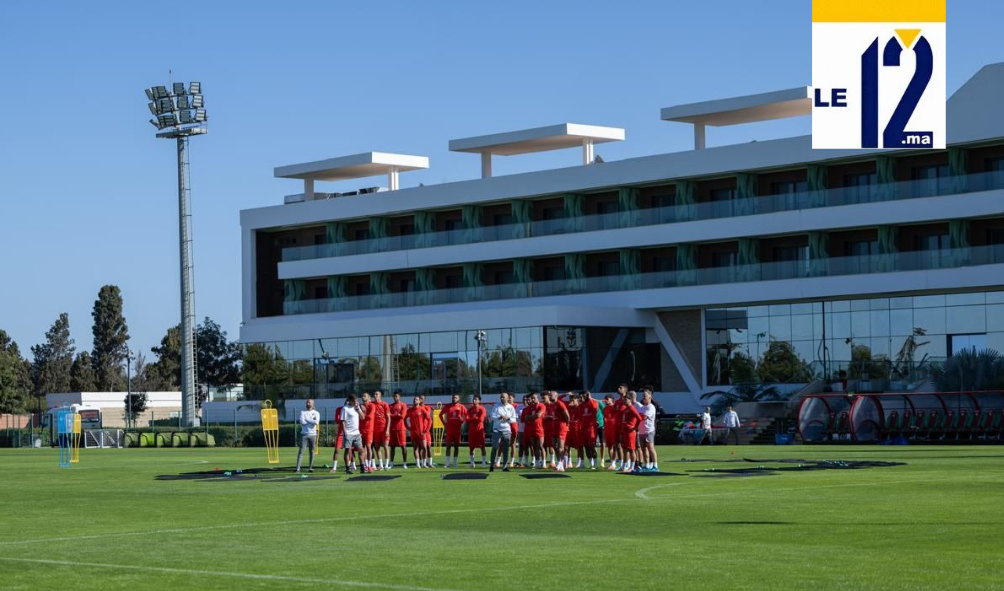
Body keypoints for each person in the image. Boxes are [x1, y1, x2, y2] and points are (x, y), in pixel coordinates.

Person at [489, 392, 517, 472]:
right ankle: (491, 466)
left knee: (505, 449)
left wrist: (508, 419)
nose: (502, 398)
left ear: (508, 398)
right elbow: (492, 417)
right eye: (501, 397)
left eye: (503, 397)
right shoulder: (496, 406)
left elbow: (514, 419)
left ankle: (504, 466)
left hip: (506, 430)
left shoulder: (511, 407)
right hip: (496, 430)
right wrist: (499, 417)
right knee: (495, 447)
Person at [341, 395, 368, 474]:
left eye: (356, 400)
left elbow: (363, 417)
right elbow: (343, 421)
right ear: (350, 400)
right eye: (354, 400)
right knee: (347, 451)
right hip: (348, 433)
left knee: (361, 450)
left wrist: (358, 409)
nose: (356, 402)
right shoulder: (345, 408)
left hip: (357, 433)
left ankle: (362, 468)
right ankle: (347, 468)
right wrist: (345, 432)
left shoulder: (357, 407)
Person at [619, 391, 643, 473]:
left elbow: (639, 418)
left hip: (630, 432)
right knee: (625, 449)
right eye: (624, 400)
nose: (624, 401)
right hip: (625, 432)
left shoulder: (632, 409)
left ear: (630, 400)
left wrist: (634, 427)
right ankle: (625, 465)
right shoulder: (626, 410)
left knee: (632, 449)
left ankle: (632, 467)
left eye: (626, 400)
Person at [440, 394, 466, 468]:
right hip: (449, 430)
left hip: (457, 430)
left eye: (456, 398)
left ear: (458, 399)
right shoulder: (447, 406)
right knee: (448, 446)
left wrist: (463, 422)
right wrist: (444, 423)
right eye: (453, 397)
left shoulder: (461, 406)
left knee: (456, 447)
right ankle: (447, 463)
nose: (454, 399)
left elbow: (467, 415)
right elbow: (440, 415)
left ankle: (455, 463)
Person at [295, 399, 320, 473]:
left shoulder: (316, 413)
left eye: (309, 402)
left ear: (313, 404)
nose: (308, 403)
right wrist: (310, 421)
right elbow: (302, 422)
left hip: (313, 435)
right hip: (304, 434)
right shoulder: (303, 412)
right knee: (301, 452)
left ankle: (311, 467)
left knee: (312, 451)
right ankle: (298, 469)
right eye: (307, 402)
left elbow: (316, 422)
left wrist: (307, 420)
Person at [521, 392, 545, 468]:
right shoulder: (529, 408)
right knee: (534, 447)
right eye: (532, 398)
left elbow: (538, 415)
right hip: (531, 429)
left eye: (534, 398)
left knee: (541, 446)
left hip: (539, 428)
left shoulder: (541, 405)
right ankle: (537, 463)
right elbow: (525, 418)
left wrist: (531, 417)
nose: (532, 400)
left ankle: (543, 462)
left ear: (538, 398)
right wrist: (533, 417)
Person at [638, 389, 659, 472]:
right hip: (641, 431)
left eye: (645, 396)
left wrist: (638, 416)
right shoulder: (642, 407)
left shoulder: (651, 407)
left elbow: (643, 417)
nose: (643, 398)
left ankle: (655, 465)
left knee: (650, 448)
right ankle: (646, 465)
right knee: (643, 448)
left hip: (649, 430)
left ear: (650, 397)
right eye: (643, 396)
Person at [406, 396, 429, 468]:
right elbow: (404, 419)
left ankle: (424, 463)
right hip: (413, 432)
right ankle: (418, 464)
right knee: (415, 448)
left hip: (422, 432)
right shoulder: (409, 410)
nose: (415, 401)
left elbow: (429, 420)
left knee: (424, 447)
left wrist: (426, 430)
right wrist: (408, 427)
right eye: (414, 399)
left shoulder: (422, 409)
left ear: (419, 401)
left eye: (416, 399)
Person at [388, 391, 409, 468]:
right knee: (392, 447)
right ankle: (391, 463)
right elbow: (389, 416)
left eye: (396, 396)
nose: (395, 397)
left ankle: (404, 463)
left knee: (403, 446)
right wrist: (397, 415)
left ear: (399, 397)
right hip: (392, 429)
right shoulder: (390, 406)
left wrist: (393, 415)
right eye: (394, 396)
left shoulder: (403, 405)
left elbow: (402, 416)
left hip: (401, 429)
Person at [578, 390, 599, 470]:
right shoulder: (582, 405)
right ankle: (590, 463)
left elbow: (595, 409)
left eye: (583, 395)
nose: (581, 397)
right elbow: (580, 416)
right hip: (583, 428)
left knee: (592, 445)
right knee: (586, 446)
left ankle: (595, 462)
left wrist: (589, 398)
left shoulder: (593, 402)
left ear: (587, 395)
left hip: (591, 427)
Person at [466, 395, 488, 467]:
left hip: (479, 430)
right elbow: (466, 419)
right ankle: (472, 463)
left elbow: (481, 419)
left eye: (476, 399)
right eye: (473, 399)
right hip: (471, 431)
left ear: (479, 401)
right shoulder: (469, 409)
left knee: (482, 447)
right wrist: (475, 418)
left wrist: (472, 419)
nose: (474, 401)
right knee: (471, 447)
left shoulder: (482, 409)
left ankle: (483, 462)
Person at [551, 391, 570, 472]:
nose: (549, 396)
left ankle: (559, 464)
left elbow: (567, 415)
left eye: (550, 395)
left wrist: (567, 425)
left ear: (556, 396)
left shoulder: (560, 403)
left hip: (561, 427)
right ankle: (561, 464)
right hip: (555, 427)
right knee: (554, 445)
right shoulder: (553, 405)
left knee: (560, 447)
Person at [371, 391, 391, 470]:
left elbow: (388, 418)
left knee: (386, 446)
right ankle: (381, 465)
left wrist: (387, 429)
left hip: (383, 429)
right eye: (374, 394)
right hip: (375, 430)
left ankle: (386, 465)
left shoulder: (384, 404)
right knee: (377, 447)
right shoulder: (372, 404)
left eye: (377, 394)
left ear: (380, 395)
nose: (375, 396)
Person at [603, 393, 621, 470]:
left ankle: (621, 463)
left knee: (617, 446)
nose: (606, 401)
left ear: (612, 400)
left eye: (607, 399)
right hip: (607, 429)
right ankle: (612, 463)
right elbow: (605, 418)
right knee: (609, 446)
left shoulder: (615, 407)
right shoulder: (605, 409)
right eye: (605, 399)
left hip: (614, 429)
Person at [360, 392, 376, 470]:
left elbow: (370, 416)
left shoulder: (372, 405)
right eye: (362, 396)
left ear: (369, 397)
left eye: (364, 396)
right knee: (362, 448)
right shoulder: (360, 406)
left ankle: (370, 465)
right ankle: (364, 465)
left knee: (369, 446)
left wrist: (364, 412)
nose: (363, 397)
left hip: (369, 429)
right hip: (361, 429)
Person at [329, 400, 346, 473]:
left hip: (349, 433)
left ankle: (348, 467)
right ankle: (334, 468)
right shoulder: (339, 409)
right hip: (341, 433)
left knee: (349, 451)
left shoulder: (353, 410)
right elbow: (337, 420)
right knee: (336, 450)